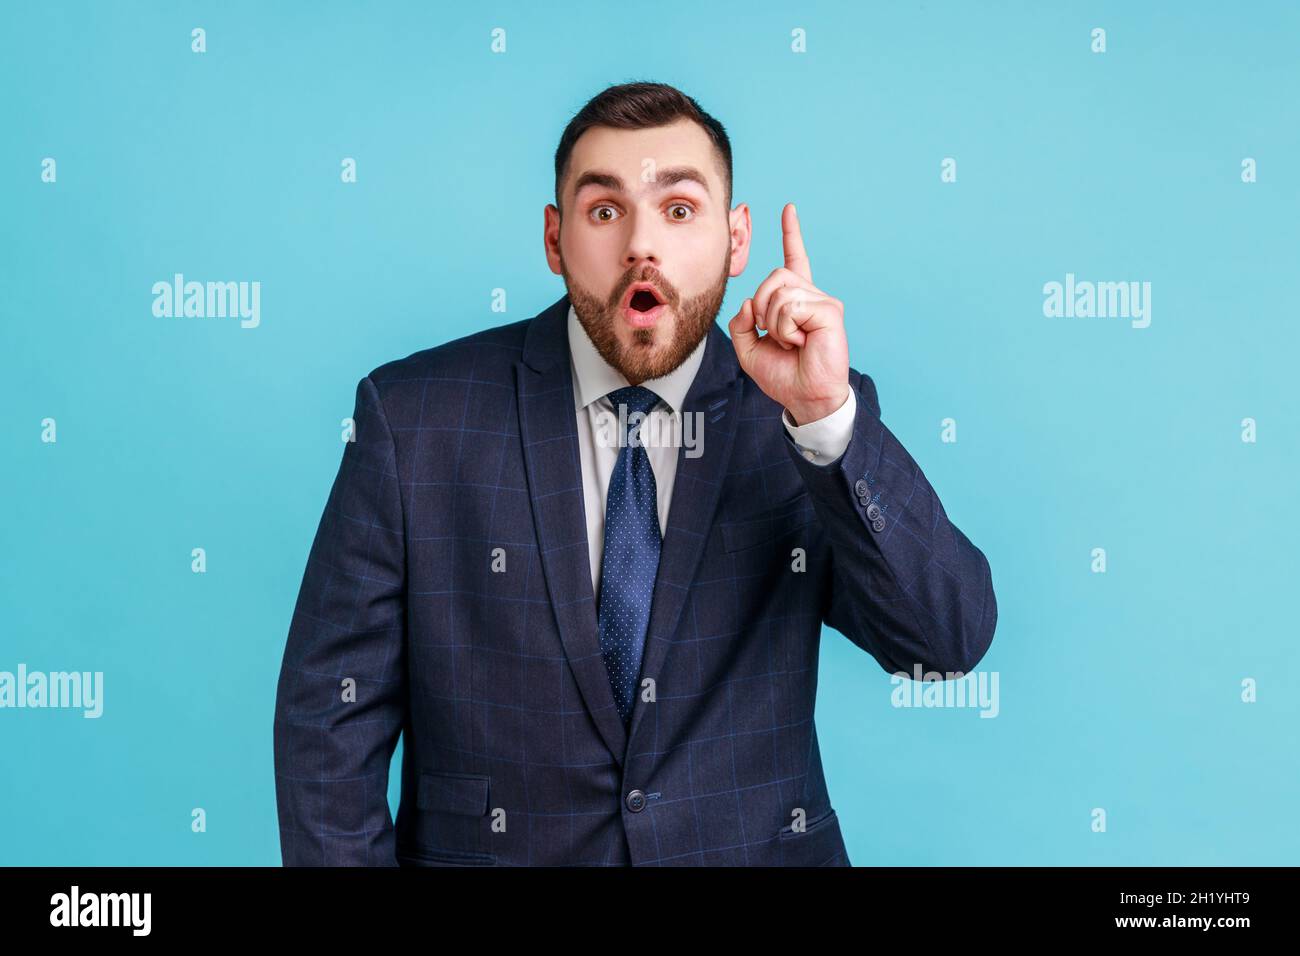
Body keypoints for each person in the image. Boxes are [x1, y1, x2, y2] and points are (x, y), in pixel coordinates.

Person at [273, 80, 997, 867]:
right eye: (605, 210)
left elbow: (946, 641)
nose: (640, 247)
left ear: (736, 238)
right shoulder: (413, 418)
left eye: (679, 210)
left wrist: (825, 420)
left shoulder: (801, 418)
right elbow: (326, 729)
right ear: (555, 239)